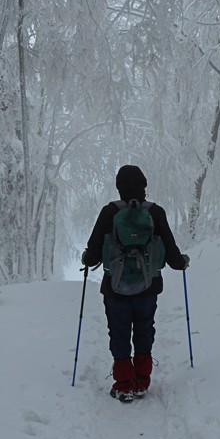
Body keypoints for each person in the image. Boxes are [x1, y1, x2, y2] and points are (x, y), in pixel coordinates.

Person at [82, 165, 189, 402]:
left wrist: (87, 260)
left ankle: (124, 384)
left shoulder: (109, 212)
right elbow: (172, 253)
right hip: (148, 287)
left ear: (119, 187)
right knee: (144, 329)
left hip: (115, 288)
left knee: (119, 332)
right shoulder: (156, 213)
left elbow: (93, 253)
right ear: (144, 187)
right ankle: (142, 380)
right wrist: (182, 263)